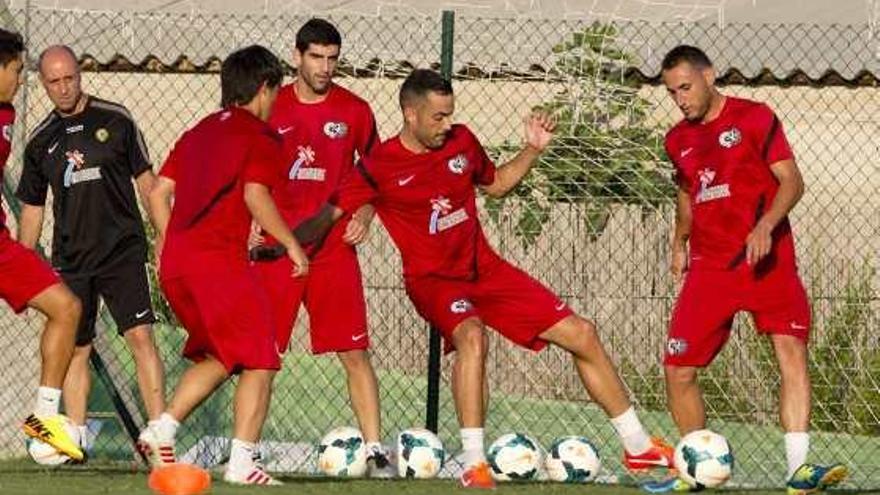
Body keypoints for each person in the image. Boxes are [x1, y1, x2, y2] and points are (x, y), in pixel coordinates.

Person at [272, 69, 674, 489]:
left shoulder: (462, 141)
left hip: (486, 271)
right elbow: (328, 215)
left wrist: (533, 150)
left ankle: (639, 446)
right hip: (433, 282)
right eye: (438, 117)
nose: (447, 125)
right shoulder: (379, 165)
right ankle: (475, 464)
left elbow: (496, 183)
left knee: (583, 334)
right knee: (473, 337)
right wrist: (282, 243)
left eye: (450, 115)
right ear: (410, 114)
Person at [649, 45, 846, 494]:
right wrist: (679, 243)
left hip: (767, 262)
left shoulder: (755, 117)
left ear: (709, 75)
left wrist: (766, 225)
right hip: (710, 268)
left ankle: (798, 473)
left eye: (685, 87)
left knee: (790, 353)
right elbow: (687, 193)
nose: (680, 99)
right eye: (671, 92)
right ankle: (695, 471)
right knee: (678, 368)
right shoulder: (676, 139)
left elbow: (792, 181)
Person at [140, 44, 309, 486]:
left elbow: (158, 194)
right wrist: (291, 244)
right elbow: (256, 195)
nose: (275, 102)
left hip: (177, 266)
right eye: (275, 92)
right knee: (262, 357)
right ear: (263, 89)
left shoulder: (197, 131)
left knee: (224, 354)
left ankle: (162, 428)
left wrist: (169, 242)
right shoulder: (261, 135)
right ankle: (242, 464)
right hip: (218, 265)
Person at [248, 18, 392, 476]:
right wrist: (247, 222)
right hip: (276, 247)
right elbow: (245, 168)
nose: (325, 67)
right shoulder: (272, 104)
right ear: (297, 57)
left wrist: (366, 213)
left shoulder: (355, 111)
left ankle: (375, 451)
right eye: (316, 57)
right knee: (264, 355)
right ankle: (245, 450)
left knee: (355, 352)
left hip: (332, 251)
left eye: (332, 58)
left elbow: (377, 172)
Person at [16, 45, 165, 456]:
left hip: (122, 251)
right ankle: (73, 439)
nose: (64, 88)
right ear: (42, 83)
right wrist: (24, 266)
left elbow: (148, 184)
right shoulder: (40, 141)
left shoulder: (116, 119)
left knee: (140, 336)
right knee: (78, 348)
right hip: (72, 258)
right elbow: (32, 210)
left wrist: (165, 236)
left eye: (70, 78)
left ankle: (160, 434)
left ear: (80, 74)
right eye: (54, 82)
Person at [0, 29, 83, 461]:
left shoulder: (6, 113)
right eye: (16, 70)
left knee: (67, 308)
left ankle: (45, 420)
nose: (21, 79)